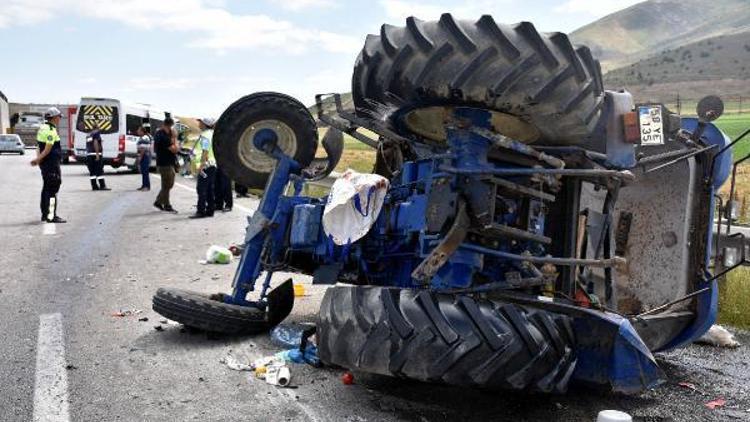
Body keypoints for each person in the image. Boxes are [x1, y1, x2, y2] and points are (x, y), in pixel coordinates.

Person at [30, 107, 66, 223]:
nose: (59, 119)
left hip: (46, 164)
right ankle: (51, 216)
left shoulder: (42, 128)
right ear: (54, 117)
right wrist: (37, 159)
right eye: (59, 117)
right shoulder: (50, 130)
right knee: (52, 189)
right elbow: (47, 149)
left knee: (46, 188)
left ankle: (45, 215)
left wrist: (39, 161)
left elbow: (38, 147)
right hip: (51, 164)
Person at [190, 117, 217, 218]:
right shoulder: (213, 134)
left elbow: (205, 151)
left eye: (200, 122)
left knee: (201, 189)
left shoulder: (205, 135)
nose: (198, 124)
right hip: (212, 165)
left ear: (205, 124)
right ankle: (210, 210)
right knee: (209, 188)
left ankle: (201, 211)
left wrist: (201, 166)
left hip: (205, 166)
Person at [153, 117, 178, 213]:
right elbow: (175, 149)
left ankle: (162, 203)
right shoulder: (163, 136)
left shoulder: (162, 134)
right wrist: (175, 138)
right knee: (169, 184)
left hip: (166, 162)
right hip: (165, 164)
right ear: (169, 126)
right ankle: (162, 202)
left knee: (166, 185)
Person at [85, 124, 110, 191]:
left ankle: (94, 186)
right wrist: (97, 154)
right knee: (99, 170)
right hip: (95, 154)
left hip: (89, 155)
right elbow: (95, 142)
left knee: (92, 172)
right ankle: (102, 186)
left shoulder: (89, 134)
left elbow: (90, 143)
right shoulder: (97, 133)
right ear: (97, 128)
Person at [136, 124, 152, 191]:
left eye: (139, 130)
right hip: (143, 155)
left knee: (145, 171)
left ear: (142, 131)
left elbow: (143, 149)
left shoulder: (145, 138)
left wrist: (140, 157)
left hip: (145, 156)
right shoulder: (141, 138)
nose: (137, 131)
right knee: (143, 171)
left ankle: (147, 186)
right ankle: (143, 185)